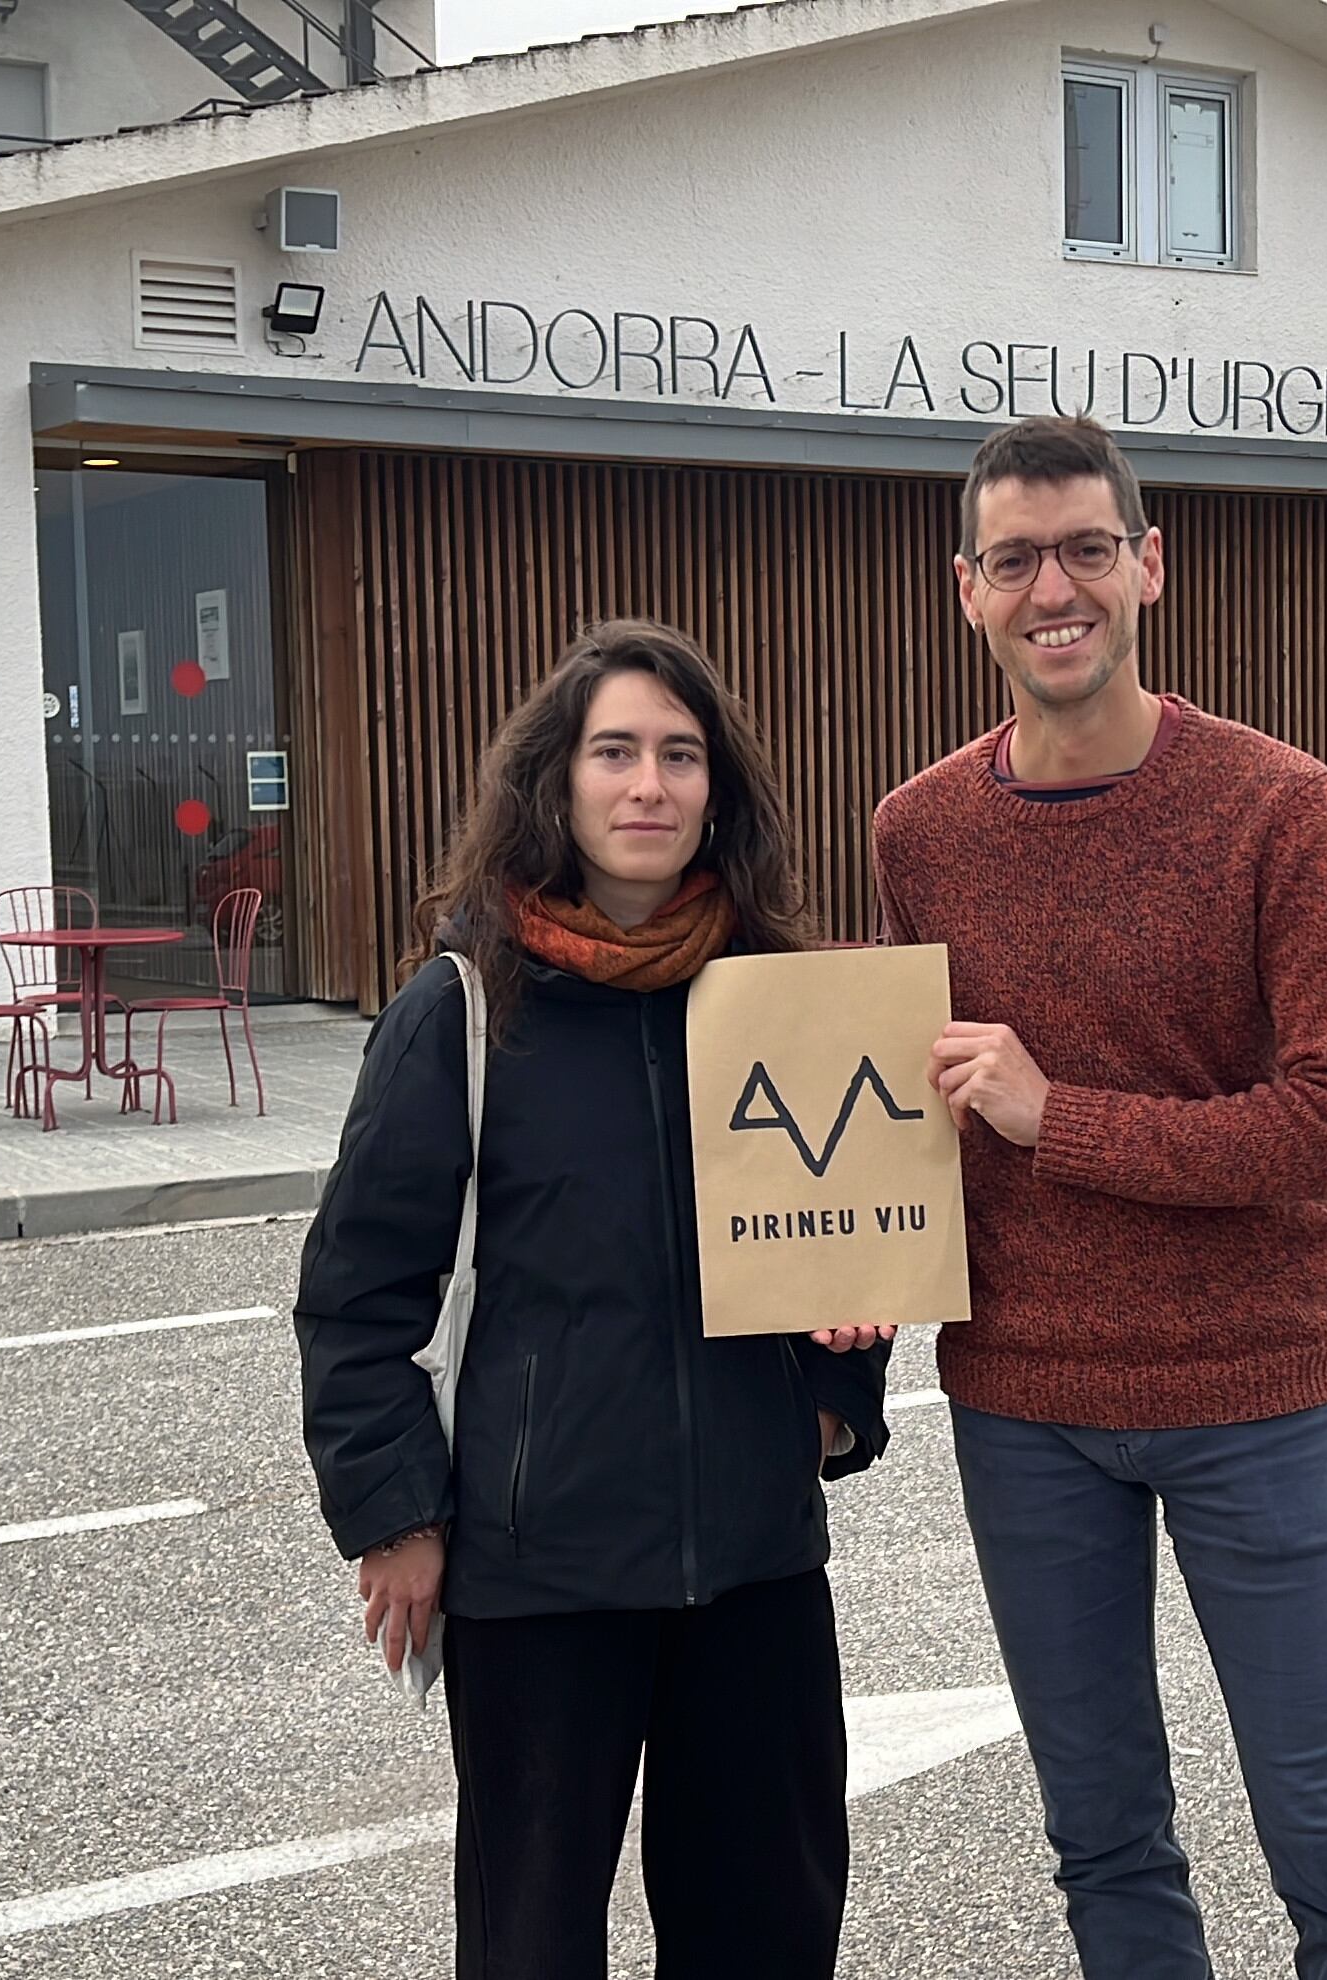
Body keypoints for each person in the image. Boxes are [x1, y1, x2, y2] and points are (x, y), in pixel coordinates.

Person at [869, 415, 1327, 1979]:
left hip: (1256, 1393)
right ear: (967, 590)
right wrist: (856, 1254)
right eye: (1017, 559)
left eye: (1088, 550)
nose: (1057, 588)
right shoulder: (917, 834)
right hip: (1022, 1410)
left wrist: (1068, 1122)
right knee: (1104, 1842)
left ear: (1148, 568)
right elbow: (937, 1111)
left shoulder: (1277, 804)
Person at [294, 619, 894, 1980]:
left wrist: (837, 1394)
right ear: (554, 784)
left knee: (771, 1933)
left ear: (717, 792)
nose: (649, 786)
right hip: (539, 1570)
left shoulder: (788, 1004)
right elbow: (355, 1294)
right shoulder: (460, 1009)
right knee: (531, 1946)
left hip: (755, 1563)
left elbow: (856, 1244)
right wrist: (392, 1513)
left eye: (680, 756)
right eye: (614, 752)